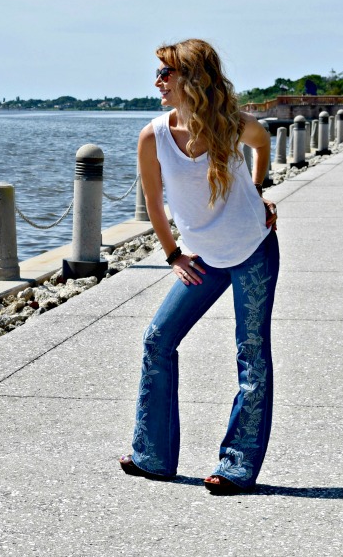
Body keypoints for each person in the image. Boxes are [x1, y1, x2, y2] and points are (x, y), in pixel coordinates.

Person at [118, 39, 279, 495]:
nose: (157, 83)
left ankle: (237, 466)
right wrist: (173, 255)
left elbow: (263, 140)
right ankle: (153, 455)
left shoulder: (229, 126)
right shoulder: (153, 135)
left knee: (251, 355)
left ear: (191, 78)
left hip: (254, 250)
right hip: (204, 258)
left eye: (166, 74)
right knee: (158, 338)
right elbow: (153, 201)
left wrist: (258, 190)